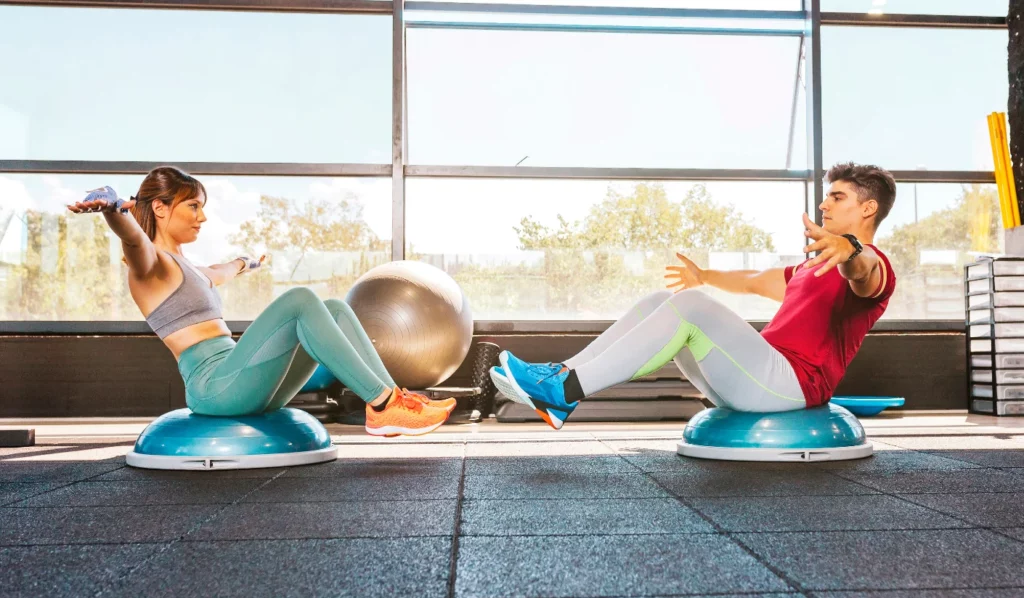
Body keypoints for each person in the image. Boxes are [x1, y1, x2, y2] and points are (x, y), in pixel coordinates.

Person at [491, 162, 898, 429]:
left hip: (792, 384)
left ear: (868, 209)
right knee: (658, 302)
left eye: (838, 197)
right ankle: (559, 378)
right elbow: (754, 280)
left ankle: (565, 393)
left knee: (690, 308)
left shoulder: (873, 265)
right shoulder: (810, 267)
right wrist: (703, 275)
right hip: (754, 376)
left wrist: (851, 250)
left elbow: (864, 275)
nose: (824, 204)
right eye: (826, 195)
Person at [68, 166, 454, 437]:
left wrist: (247, 262)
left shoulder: (191, 269)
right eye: (193, 206)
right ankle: (384, 405)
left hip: (240, 376)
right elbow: (133, 239)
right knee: (301, 299)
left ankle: (393, 402)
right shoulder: (149, 267)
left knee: (334, 309)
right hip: (214, 386)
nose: (202, 217)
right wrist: (111, 208)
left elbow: (224, 270)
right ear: (160, 207)